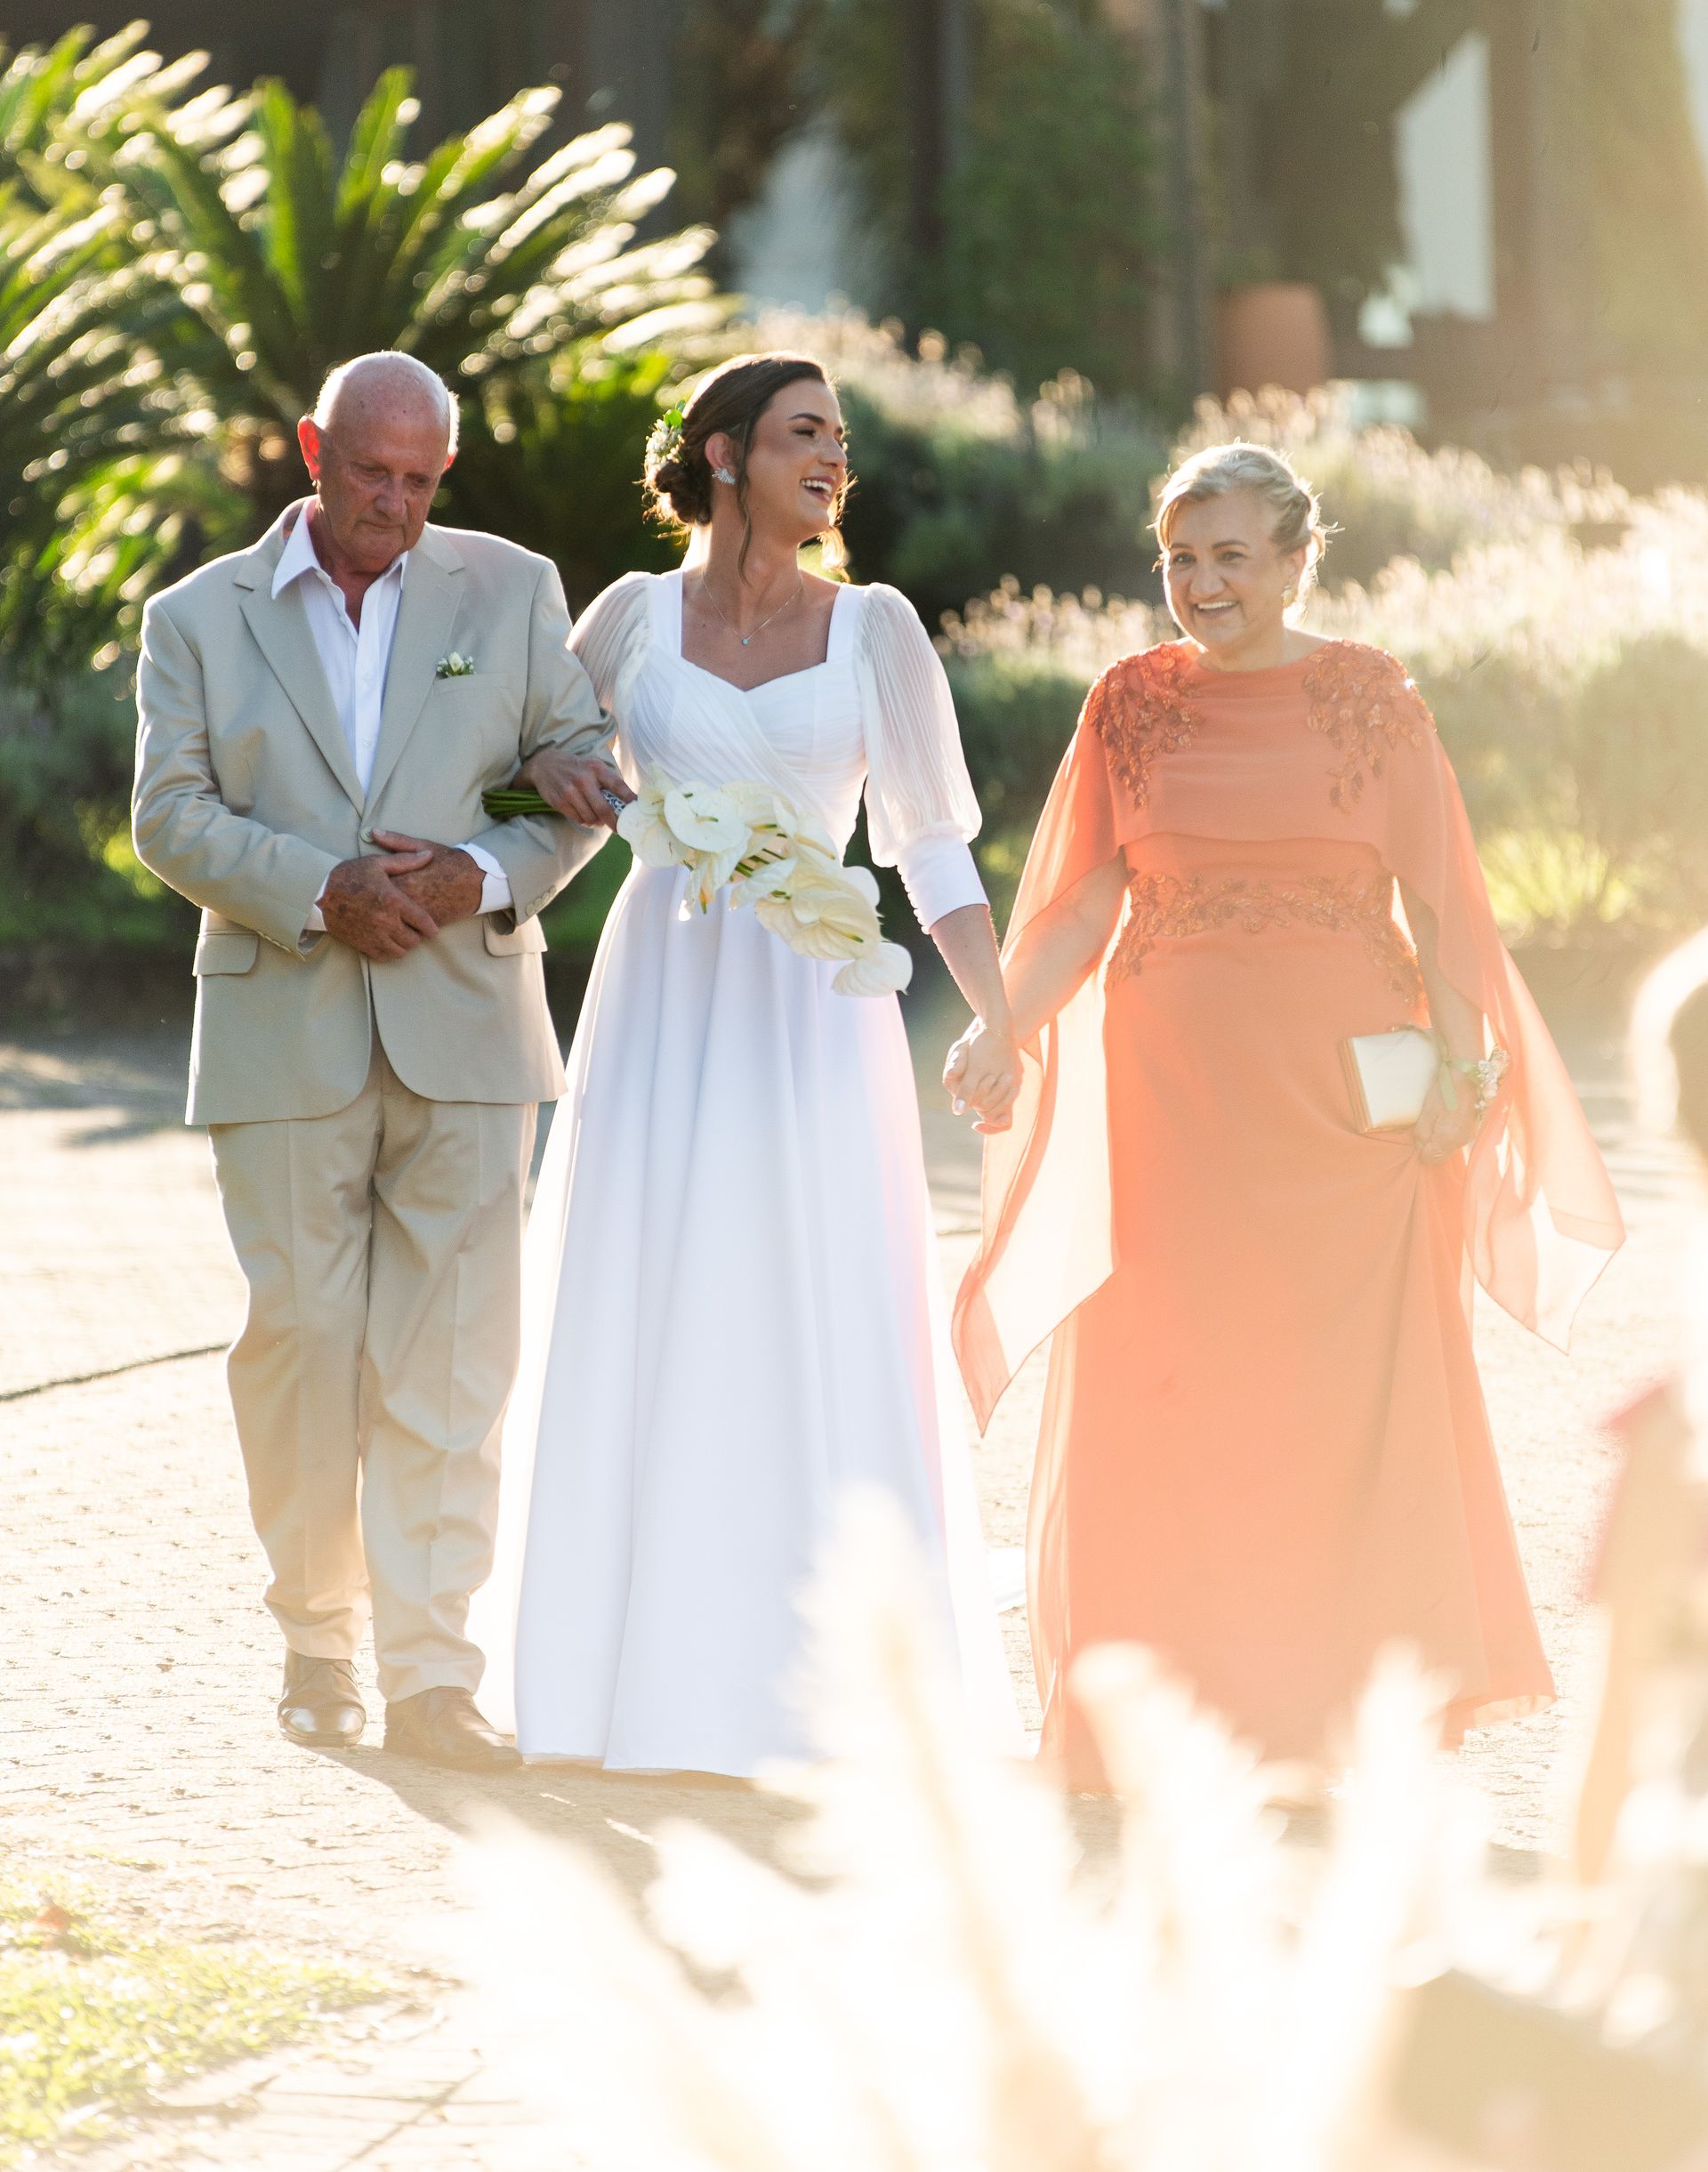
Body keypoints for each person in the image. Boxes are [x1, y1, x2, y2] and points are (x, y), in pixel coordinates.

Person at [947, 440, 1625, 1784]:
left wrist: (1462, 1074)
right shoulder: (1127, 704)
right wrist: (1001, 1020)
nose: (1200, 584)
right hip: (1172, 1115)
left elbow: (1439, 907)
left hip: (1343, 1119)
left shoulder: (1372, 699)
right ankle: (1158, 1715)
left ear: (1299, 557)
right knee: (1169, 1393)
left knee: (1340, 1409)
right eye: (1180, 559)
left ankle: (1342, 1721)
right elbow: (1082, 900)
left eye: (1231, 558)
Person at [474, 351, 1022, 1774]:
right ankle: (627, 1685)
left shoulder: (877, 628)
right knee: (659, 1286)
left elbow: (929, 842)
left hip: (817, 998)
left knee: (811, 1296)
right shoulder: (629, 617)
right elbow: (534, 759)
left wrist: (1000, 1009)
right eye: (802, 435)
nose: (833, 458)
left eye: (839, 439)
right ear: (724, 457)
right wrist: (551, 789)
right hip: (668, 985)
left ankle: (831, 1692)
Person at [131, 351, 611, 1768]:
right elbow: (171, 811)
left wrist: (476, 862)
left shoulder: (511, 589)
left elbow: (567, 765)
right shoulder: (194, 616)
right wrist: (317, 884)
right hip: (285, 1015)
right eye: (369, 475)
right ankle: (315, 1641)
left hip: (467, 1019)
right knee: (302, 1347)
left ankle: (432, 1676)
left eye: (419, 481)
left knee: (450, 1362)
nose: (392, 505)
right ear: (311, 452)